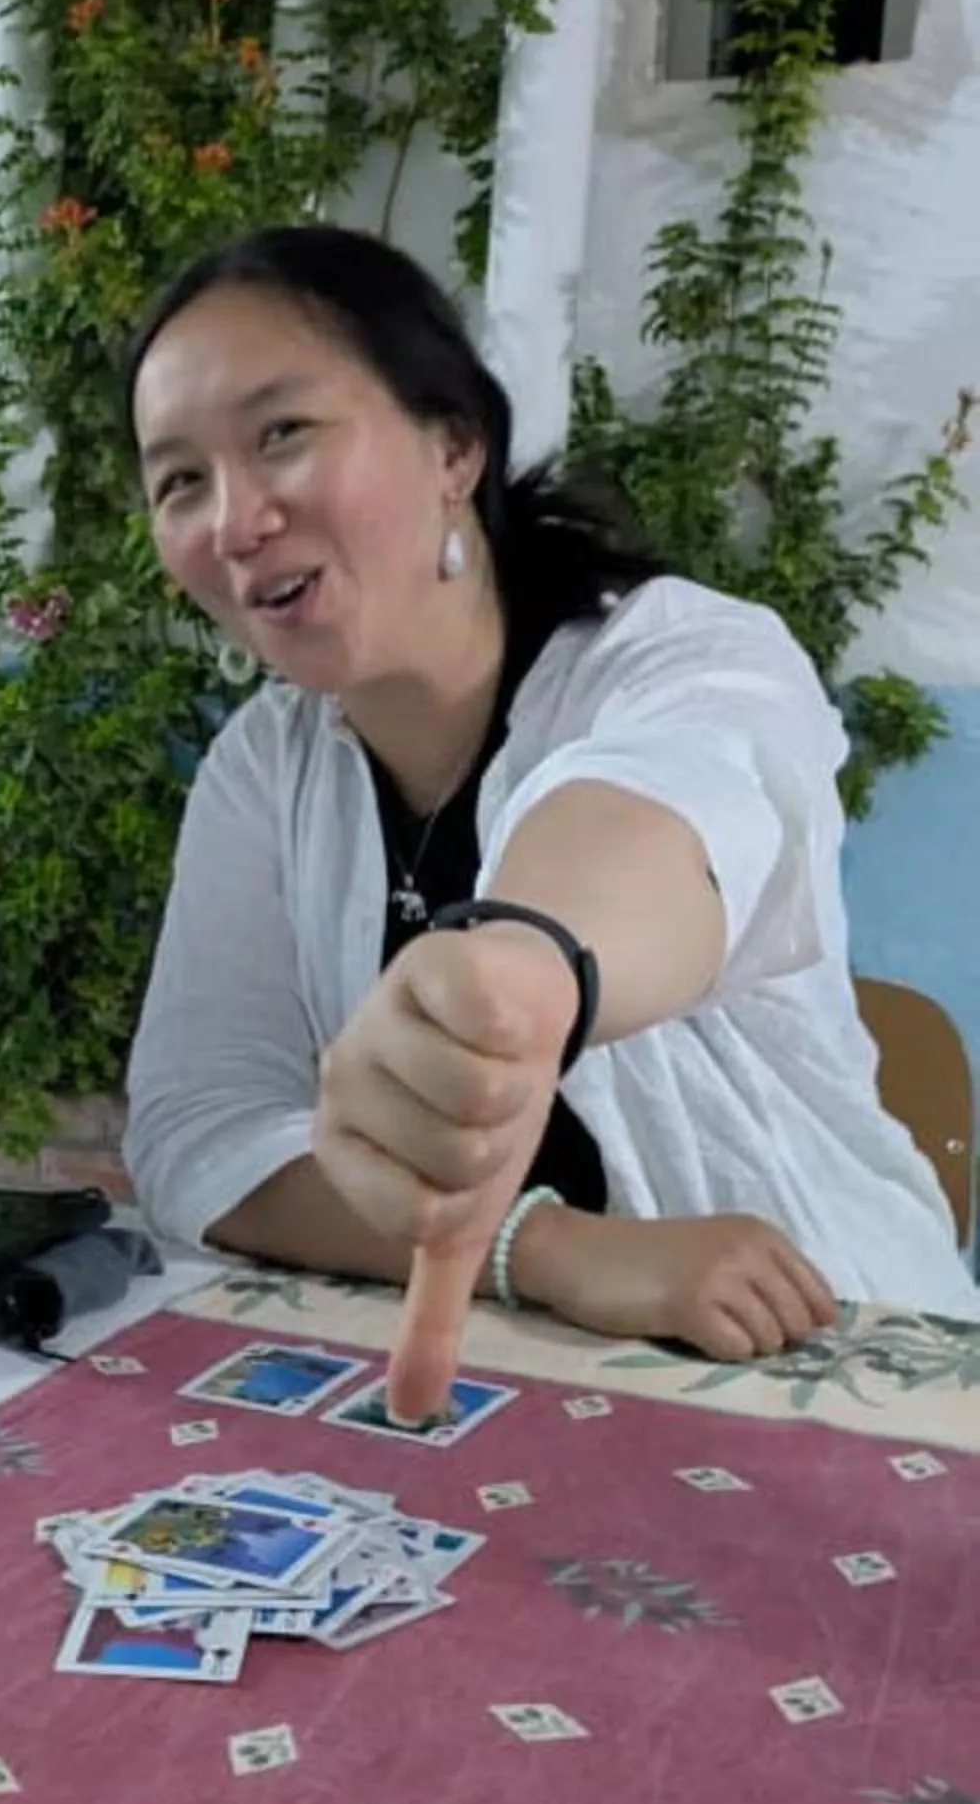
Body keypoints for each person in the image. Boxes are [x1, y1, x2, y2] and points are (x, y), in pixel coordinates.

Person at [123, 225, 979, 1410]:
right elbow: (196, 1132)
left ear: (452, 447)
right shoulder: (265, 769)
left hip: (812, 1356)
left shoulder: (680, 656)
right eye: (179, 481)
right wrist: (550, 1252)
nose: (233, 520)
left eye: (282, 434)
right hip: (480, 1380)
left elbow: (675, 811)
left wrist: (528, 967)